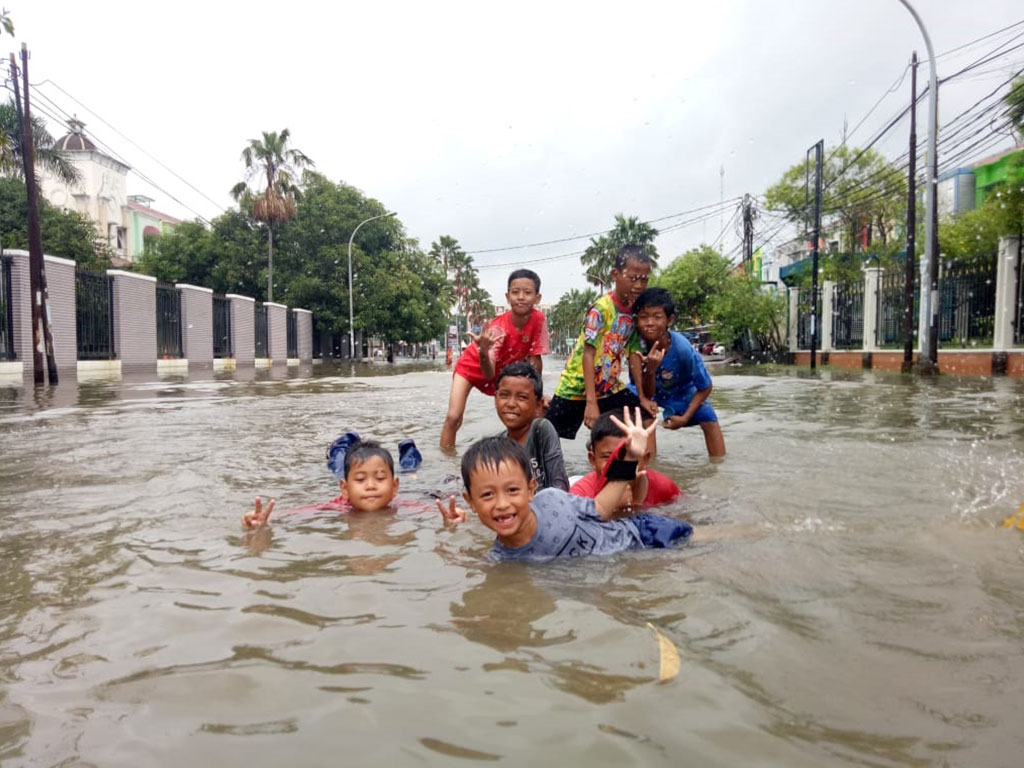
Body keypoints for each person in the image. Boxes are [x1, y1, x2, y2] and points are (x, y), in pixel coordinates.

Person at [436, 408, 692, 562]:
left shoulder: (552, 500)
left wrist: (631, 457)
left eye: (513, 490)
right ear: (470, 501)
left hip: (643, 534)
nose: (502, 504)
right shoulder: (504, 558)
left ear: (531, 489)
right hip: (624, 561)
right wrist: (454, 537)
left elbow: (602, 507)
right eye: (487, 495)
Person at [545, 244, 652, 440]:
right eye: (633, 278)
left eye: (644, 279)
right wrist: (591, 402)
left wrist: (643, 397)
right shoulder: (601, 309)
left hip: (608, 386)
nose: (638, 285)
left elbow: (634, 355)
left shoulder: (635, 311)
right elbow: (588, 354)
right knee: (548, 436)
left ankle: (635, 466)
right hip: (576, 386)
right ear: (615, 275)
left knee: (642, 417)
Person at [441, 269, 550, 450]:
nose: (521, 297)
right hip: (473, 367)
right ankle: (446, 461)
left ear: (537, 298)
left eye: (527, 293)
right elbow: (488, 372)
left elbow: (535, 360)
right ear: (508, 297)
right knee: (453, 417)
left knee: (534, 414)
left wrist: (538, 394)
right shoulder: (499, 327)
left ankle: (526, 458)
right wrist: (483, 351)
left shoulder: (539, 319)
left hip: (503, 373)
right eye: (515, 292)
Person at [628, 287, 726, 458]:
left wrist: (685, 417)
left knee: (708, 418)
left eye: (657, 317)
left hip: (682, 391)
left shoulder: (682, 349)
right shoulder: (635, 345)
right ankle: (649, 466)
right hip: (645, 390)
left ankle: (719, 466)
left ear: (669, 320)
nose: (649, 323)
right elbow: (646, 393)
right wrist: (650, 371)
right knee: (644, 413)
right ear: (636, 321)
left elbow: (706, 386)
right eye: (644, 317)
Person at [242, 439, 402, 528]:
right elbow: (297, 513)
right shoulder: (337, 507)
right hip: (342, 467)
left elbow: (427, 512)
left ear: (394, 487)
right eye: (360, 480)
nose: (370, 486)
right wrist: (265, 519)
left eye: (380, 478)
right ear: (344, 489)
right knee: (338, 463)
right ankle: (342, 444)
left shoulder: (399, 506)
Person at [570, 410, 682, 512]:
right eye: (608, 457)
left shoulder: (664, 487)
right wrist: (615, 509)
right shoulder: (581, 495)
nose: (619, 466)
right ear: (593, 460)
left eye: (630, 457)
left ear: (645, 460)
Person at [493, 361, 569, 491]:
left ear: (538, 404)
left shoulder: (540, 430)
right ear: (495, 398)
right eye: (504, 395)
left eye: (522, 398)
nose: (511, 404)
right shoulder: (496, 444)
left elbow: (560, 487)